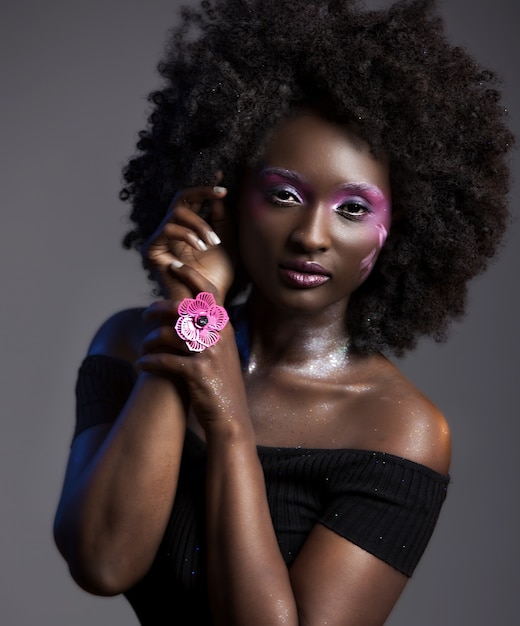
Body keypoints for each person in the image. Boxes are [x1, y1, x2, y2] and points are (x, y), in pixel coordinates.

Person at [53, 0, 513, 624]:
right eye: (284, 195)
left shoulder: (400, 429)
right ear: (230, 196)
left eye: (354, 209)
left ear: (399, 227)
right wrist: (196, 307)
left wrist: (229, 426)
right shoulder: (132, 341)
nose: (312, 236)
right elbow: (104, 561)